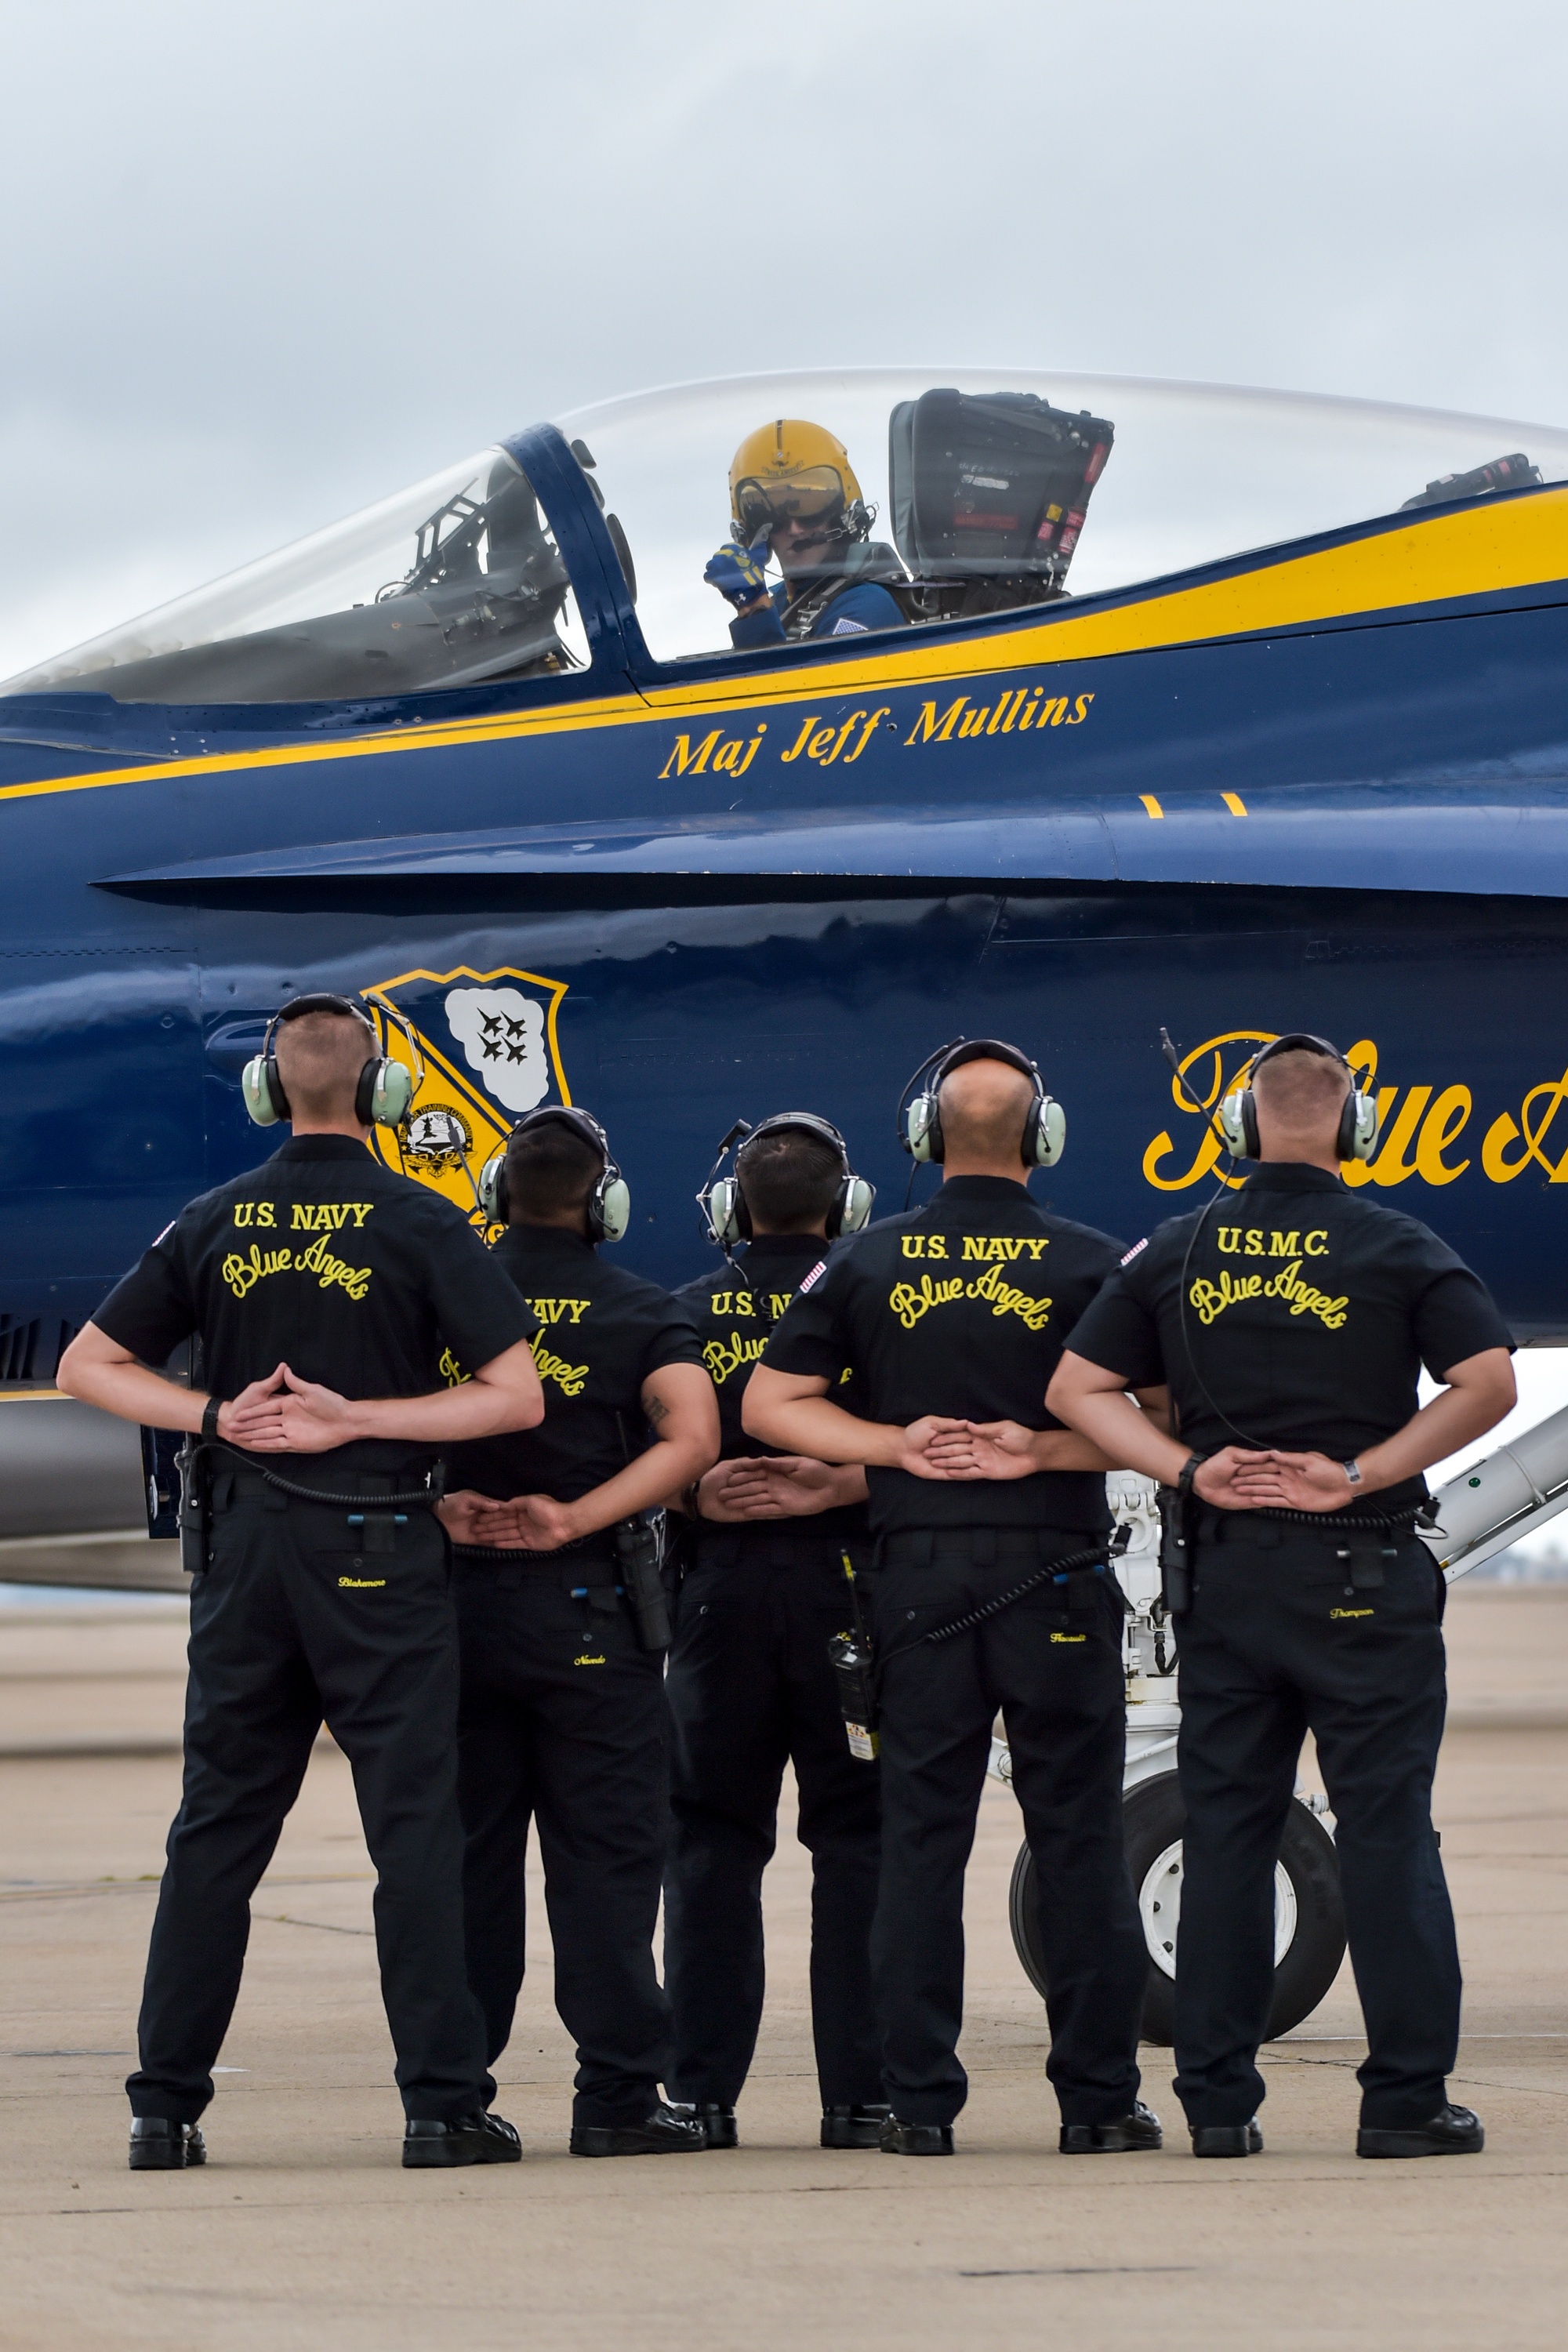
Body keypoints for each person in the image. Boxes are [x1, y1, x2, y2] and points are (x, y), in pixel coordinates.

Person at [56, 993, 545, 2173]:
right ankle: (440, 2106)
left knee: (217, 1831)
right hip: (377, 1547)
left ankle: (163, 2111)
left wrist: (218, 1415)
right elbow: (515, 1396)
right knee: (415, 1831)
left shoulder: (213, 1219)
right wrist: (355, 1421)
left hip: (243, 1557)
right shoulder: (423, 1221)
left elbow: (88, 1364)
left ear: (267, 1091)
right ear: (385, 1094)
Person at [1047, 1033, 1516, 2161]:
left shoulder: (1177, 1246)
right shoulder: (1399, 1244)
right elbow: (1489, 1381)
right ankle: (1404, 2103)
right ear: (1354, 1132)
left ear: (1241, 1132)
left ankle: (1217, 2104)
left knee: (1228, 1834)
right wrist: (1365, 1469)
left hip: (1230, 1577)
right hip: (1365, 1573)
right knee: (1390, 1834)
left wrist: (1187, 1469)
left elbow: (1077, 1387)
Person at [743, 1041, 1161, 2157]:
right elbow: (1162, 1420)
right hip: (1056, 1575)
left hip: (917, 1579)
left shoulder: (867, 1263)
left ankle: (919, 2107)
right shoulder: (1093, 1265)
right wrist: (1044, 1449)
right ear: (1043, 1136)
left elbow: (773, 1404)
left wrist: (896, 1444)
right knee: (1077, 1843)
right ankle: (1100, 2104)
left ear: (926, 1138)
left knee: (920, 1846)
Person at [437, 1107, 720, 2158]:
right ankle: (615, 2101)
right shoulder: (640, 1310)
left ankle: (452, 2095)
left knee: (467, 1860)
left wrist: (437, 1509)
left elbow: (366, 1422)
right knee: (606, 1862)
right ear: (606, 1204)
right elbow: (695, 1438)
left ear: (497, 1198)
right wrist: (579, 1516)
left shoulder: (441, 1301)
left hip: (455, 1613)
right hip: (588, 1617)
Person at [664, 1114, 884, 2151]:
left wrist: (700, 1496)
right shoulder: (877, 1306)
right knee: (860, 1846)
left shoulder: (678, 1317)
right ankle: (864, 2097)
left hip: (721, 1608)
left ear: (730, 1209)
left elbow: (635, 1459)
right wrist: (839, 1479)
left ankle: (700, 2096)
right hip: (854, 1600)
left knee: (711, 1845)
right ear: (846, 1208)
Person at [704, 419, 909, 648]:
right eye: (770, 515)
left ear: (841, 514)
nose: (795, 529)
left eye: (812, 507)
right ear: (751, 528)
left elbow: (809, 682)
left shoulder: (867, 605)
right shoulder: (782, 603)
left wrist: (754, 610)